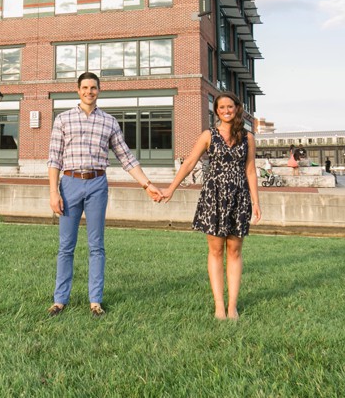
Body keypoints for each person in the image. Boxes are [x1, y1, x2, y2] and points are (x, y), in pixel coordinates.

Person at [47, 72, 162, 318]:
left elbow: (125, 156)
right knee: (66, 246)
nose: (89, 91)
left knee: (96, 245)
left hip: (98, 184)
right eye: (85, 87)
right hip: (69, 184)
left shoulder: (109, 122)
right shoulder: (63, 119)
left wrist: (146, 184)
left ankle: (95, 301)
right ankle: (60, 300)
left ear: (100, 90)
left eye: (94, 88)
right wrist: (53, 192)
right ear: (77, 90)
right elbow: (54, 158)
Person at [160, 92, 261, 320]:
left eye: (230, 106)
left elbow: (251, 170)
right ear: (216, 111)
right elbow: (189, 163)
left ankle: (232, 306)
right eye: (221, 107)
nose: (226, 110)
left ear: (237, 108)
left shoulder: (248, 137)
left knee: (234, 251)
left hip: (239, 197)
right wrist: (171, 188)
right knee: (216, 251)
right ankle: (219, 306)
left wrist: (256, 202)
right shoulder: (209, 135)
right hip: (213, 197)